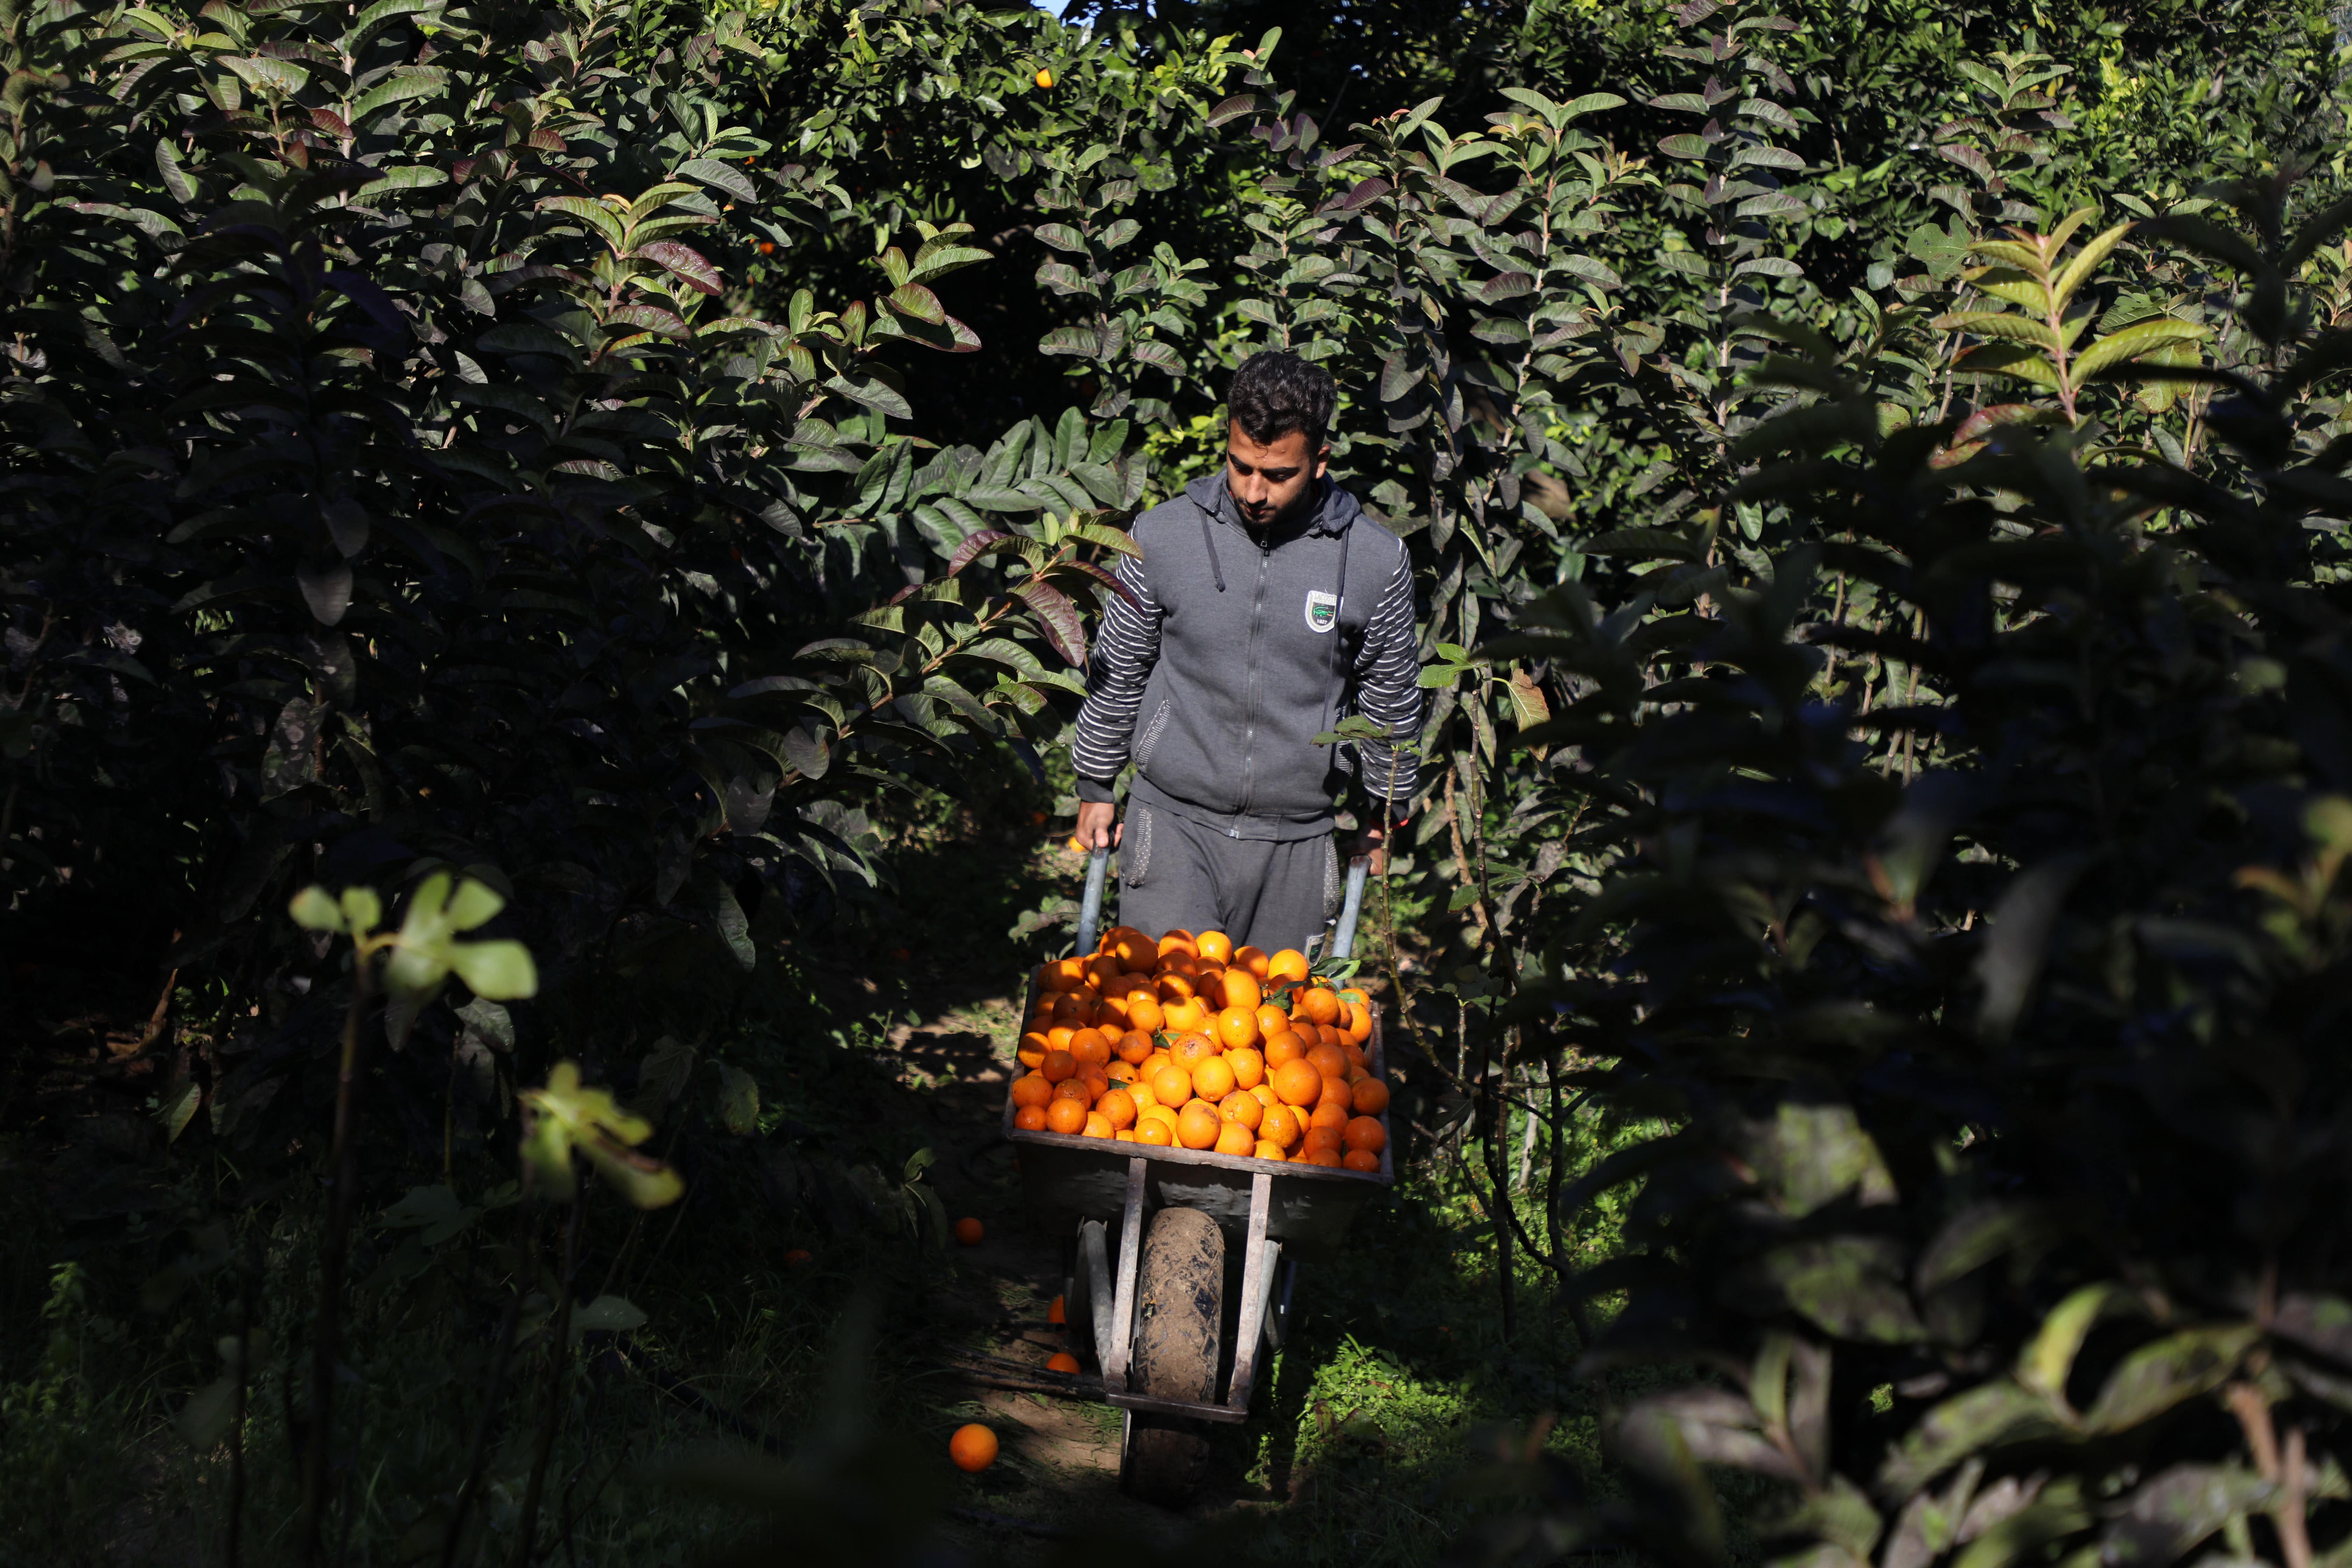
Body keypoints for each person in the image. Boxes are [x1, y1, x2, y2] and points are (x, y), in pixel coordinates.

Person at [1070, 351, 1422, 953]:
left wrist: (1381, 815)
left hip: (1300, 842)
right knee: (1165, 1024)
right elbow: (1119, 669)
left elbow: (1388, 696)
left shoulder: (1373, 561)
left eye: (1278, 474)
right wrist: (1096, 786)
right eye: (1240, 467)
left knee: (1275, 1034)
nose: (1253, 491)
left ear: (1319, 462)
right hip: (1172, 825)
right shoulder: (1161, 536)